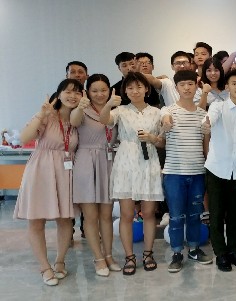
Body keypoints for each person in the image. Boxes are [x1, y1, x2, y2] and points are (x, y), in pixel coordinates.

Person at [15, 79, 83, 286]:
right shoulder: (47, 115)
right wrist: (41, 114)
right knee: (37, 221)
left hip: (65, 171)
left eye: (77, 92)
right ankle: (45, 267)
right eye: (68, 91)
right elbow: (23, 138)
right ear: (59, 94)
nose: (72, 96)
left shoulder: (77, 120)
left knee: (65, 219)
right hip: (41, 170)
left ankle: (60, 261)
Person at [99, 72, 165, 275]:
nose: (135, 91)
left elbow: (163, 142)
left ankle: (148, 253)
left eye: (139, 87)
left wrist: (153, 138)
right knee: (127, 214)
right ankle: (129, 256)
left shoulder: (157, 112)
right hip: (126, 163)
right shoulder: (120, 111)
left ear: (147, 89)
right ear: (125, 91)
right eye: (130, 88)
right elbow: (104, 120)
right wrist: (108, 104)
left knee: (149, 213)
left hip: (149, 163)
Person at [159, 70, 213, 273]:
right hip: (174, 173)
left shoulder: (203, 115)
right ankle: (176, 253)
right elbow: (164, 125)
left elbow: (206, 147)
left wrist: (208, 134)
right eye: (182, 85)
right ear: (176, 88)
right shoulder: (168, 110)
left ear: (196, 86)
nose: (187, 88)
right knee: (175, 216)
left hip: (198, 172)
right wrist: (165, 124)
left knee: (195, 214)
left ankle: (194, 249)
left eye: (191, 84)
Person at [203, 69, 236, 272]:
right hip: (216, 168)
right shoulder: (218, 106)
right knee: (216, 214)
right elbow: (209, 120)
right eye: (234, 83)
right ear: (227, 87)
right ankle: (220, 253)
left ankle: (233, 250)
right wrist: (206, 124)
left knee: (234, 215)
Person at [69, 74, 120, 277]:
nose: (100, 94)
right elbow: (73, 122)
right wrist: (80, 107)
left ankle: (109, 255)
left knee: (106, 215)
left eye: (103, 90)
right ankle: (98, 258)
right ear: (87, 92)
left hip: (108, 161)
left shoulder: (115, 111)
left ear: (110, 90)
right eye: (95, 91)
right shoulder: (82, 109)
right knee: (90, 216)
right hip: (85, 163)